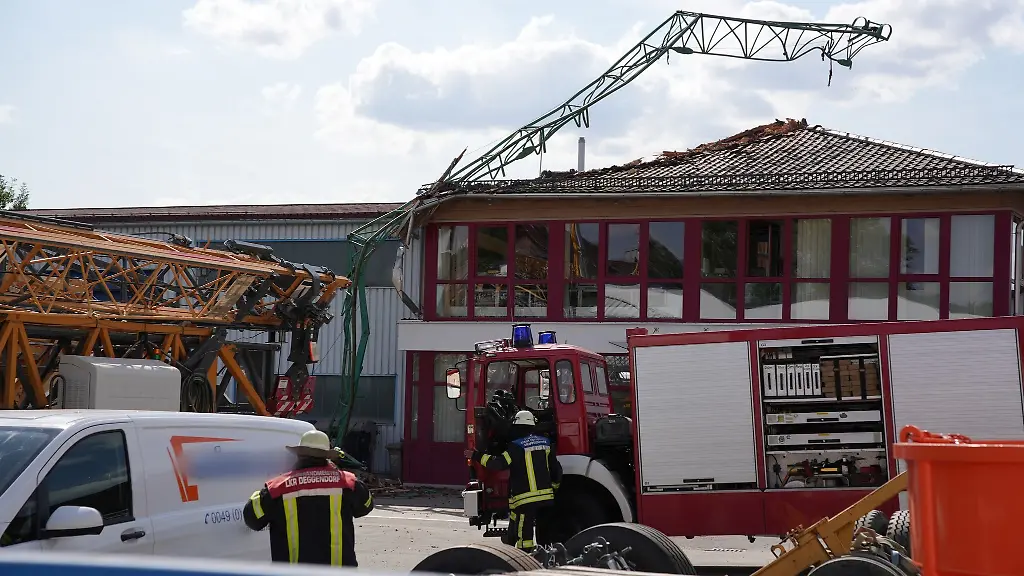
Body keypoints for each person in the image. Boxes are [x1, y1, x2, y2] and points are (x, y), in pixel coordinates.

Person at [243, 430, 374, 566]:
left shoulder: (277, 488)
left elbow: (252, 519)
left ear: (299, 455)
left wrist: (259, 494)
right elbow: (367, 505)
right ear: (327, 456)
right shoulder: (348, 483)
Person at [466, 410, 562, 551]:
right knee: (541, 525)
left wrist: (476, 455)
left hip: (525, 498)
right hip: (546, 496)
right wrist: (554, 488)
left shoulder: (516, 446)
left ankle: (525, 555)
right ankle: (543, 550)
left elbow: (499, 463)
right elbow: (556, 469)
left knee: (524, 529)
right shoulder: (546, 443)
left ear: (517, 426)